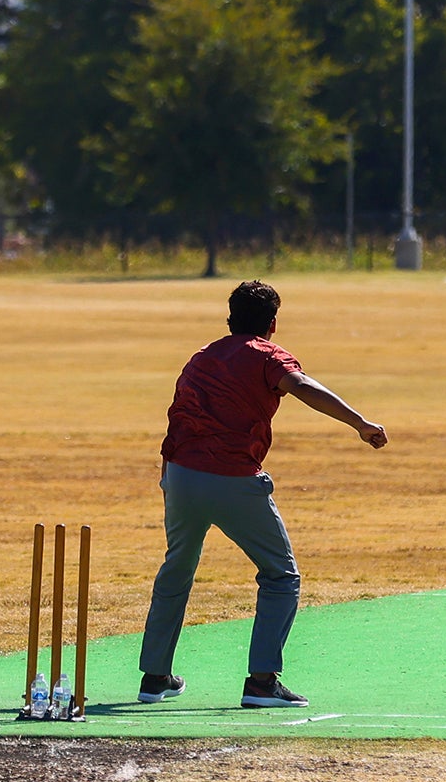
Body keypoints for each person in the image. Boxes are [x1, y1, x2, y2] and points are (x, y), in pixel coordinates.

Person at [138, 280, 388, 709]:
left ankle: (155, 678)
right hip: (233, 476)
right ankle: (261, 682)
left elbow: (177, 414)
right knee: (281, 575)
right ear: (272, 323)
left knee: (176, 570)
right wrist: (361, 423)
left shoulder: (201, 357)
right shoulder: (269, 355)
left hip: (181, 475)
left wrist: (167, 476)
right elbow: (302, 386)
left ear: (230, 317)